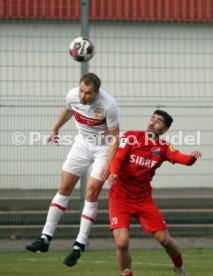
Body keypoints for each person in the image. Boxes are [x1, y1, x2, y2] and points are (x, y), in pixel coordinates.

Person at [26, 72, 120, 267]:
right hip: (81, 144)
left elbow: (115, 137)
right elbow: (69, 110)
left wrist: (110, 164)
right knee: (64, 189)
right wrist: (55, 129)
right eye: (81, 91)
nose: (83, 96)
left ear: (97, 93)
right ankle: (45, 238)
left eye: (88, 93)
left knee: (91, 193)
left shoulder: (108, 105)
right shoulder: (72, 96)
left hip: (103, 149)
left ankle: (79, 245)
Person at [108, 110, 201, 276]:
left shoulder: (164, 147)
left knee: (164, 240)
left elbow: (183, 159)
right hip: (120, 197)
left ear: (164, 129)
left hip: (143, 200)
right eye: (152, 118)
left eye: (158, 121)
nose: (152, 123)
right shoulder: (131, 137)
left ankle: (179, 267)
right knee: (122, 243)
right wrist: (114, 172)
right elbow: (118, 158)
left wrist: (192, 157)